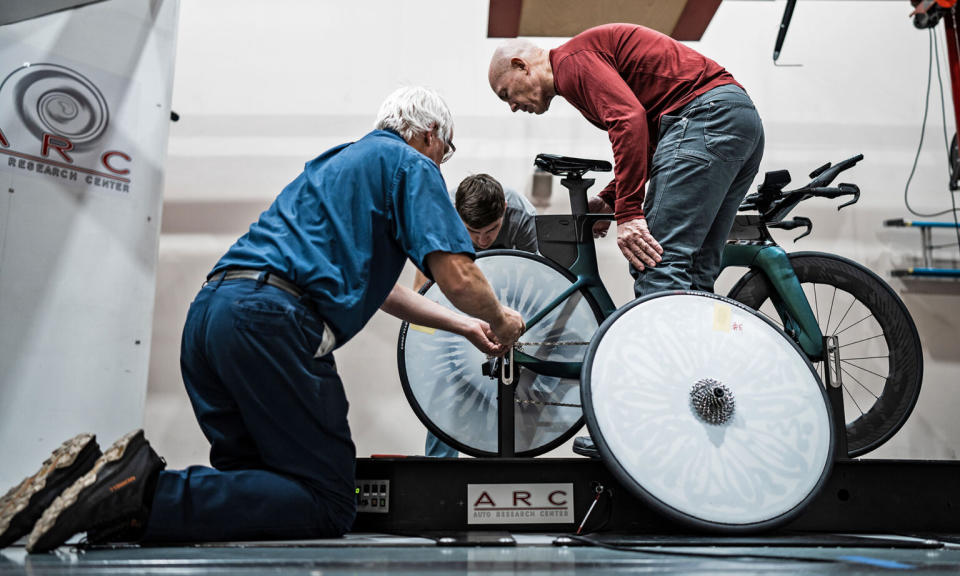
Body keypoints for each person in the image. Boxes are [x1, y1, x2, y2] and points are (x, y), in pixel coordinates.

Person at [0, 86, 525, 553]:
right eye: (446, 149)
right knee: (328, 500)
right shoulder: (412, 163)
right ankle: (135, 491)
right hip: (271, 325)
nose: (443, 160)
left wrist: (463, 327)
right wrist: (501, 320)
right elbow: (458, 276)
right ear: (430, 133)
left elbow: (383, 291)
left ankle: (85, 487)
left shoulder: (336, 164)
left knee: (259, 488)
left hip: (212, 316)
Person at [488, 23, 765, 298]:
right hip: (737, 120)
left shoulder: (570, 63)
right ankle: (696, 341)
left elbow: (628, 121)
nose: (512, 107)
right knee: (695, 272)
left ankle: (664, 343)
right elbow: (648, 140)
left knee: (656, 264)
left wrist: (629, 212)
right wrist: (611, 197)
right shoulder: (579, 64)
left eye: (505, 94)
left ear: (520, 65)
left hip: (704, 118)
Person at [414, 173, 538, 458]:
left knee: (520, 394)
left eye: (492, 230)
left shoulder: (523, 215)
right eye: (472, 231)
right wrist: (425, 341)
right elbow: (424, 285)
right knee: (444, 389)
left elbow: (536, 281)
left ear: (505, 209)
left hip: (507, 297)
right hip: (455, 287)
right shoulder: (439, 212)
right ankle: (440, 477)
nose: (482, 240)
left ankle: (512, 470)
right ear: (457, 215)